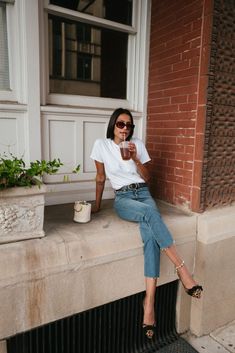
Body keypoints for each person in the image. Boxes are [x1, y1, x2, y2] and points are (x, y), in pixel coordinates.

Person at [90, 108, 203, 339]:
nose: (125, 129)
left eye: (129, 125)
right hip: (123, 198)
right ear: (113, 124)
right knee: (152, 217)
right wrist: (98, 205)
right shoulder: (101, 145)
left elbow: (148, 178)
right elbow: (101, 177)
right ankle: (182, 270)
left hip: (143, 194)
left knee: (150, 237)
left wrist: (135, 158)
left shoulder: (137, 144)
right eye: (121, 124)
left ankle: (149, 302)